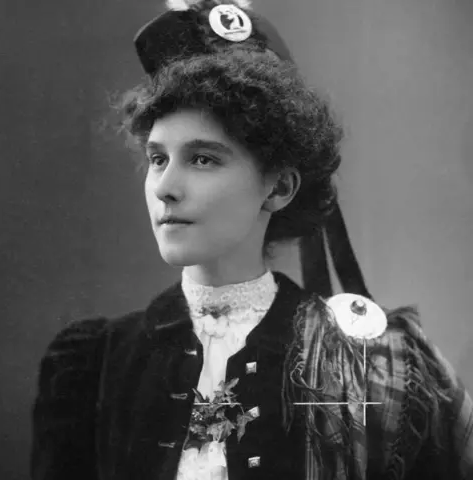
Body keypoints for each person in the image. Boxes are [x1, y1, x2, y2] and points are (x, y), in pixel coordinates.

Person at [30, 1, 473, 479]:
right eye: (158, 159)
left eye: (203, 159)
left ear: (279, 187)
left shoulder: (382, 364)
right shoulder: (95, 364)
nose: (164, 187)